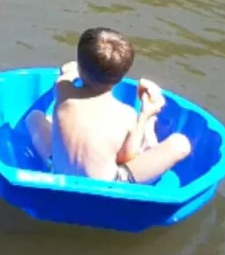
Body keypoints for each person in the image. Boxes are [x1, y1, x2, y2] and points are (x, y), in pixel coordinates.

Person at [26, 27, 192, 185]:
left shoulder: (63, 90)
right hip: (107, 188)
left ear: (80, 67)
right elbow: (126, 158)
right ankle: (149, 129)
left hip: (59, 172)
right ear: (121, 77)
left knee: (35, 118)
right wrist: (145, 115)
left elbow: (67, 71)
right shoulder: (125, 114)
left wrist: (72, 69)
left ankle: (51, 162)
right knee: (181, 144)